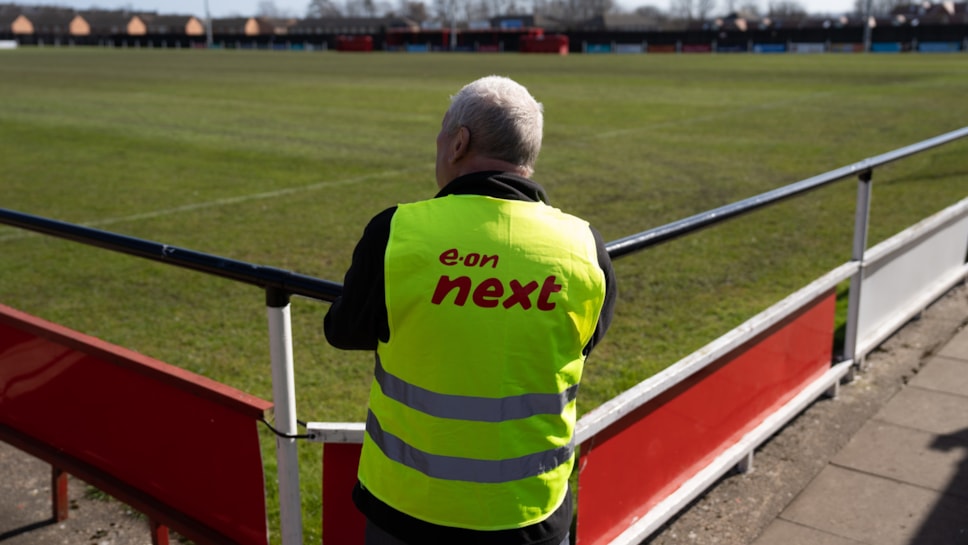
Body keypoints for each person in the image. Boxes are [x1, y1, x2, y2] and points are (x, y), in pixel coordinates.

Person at [324, 75, 617, 545]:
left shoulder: (396, 232)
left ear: (458, 143)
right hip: (529, 513)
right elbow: (583, 340)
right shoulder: (585, 248)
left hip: (407, 510)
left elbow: (343, 329)